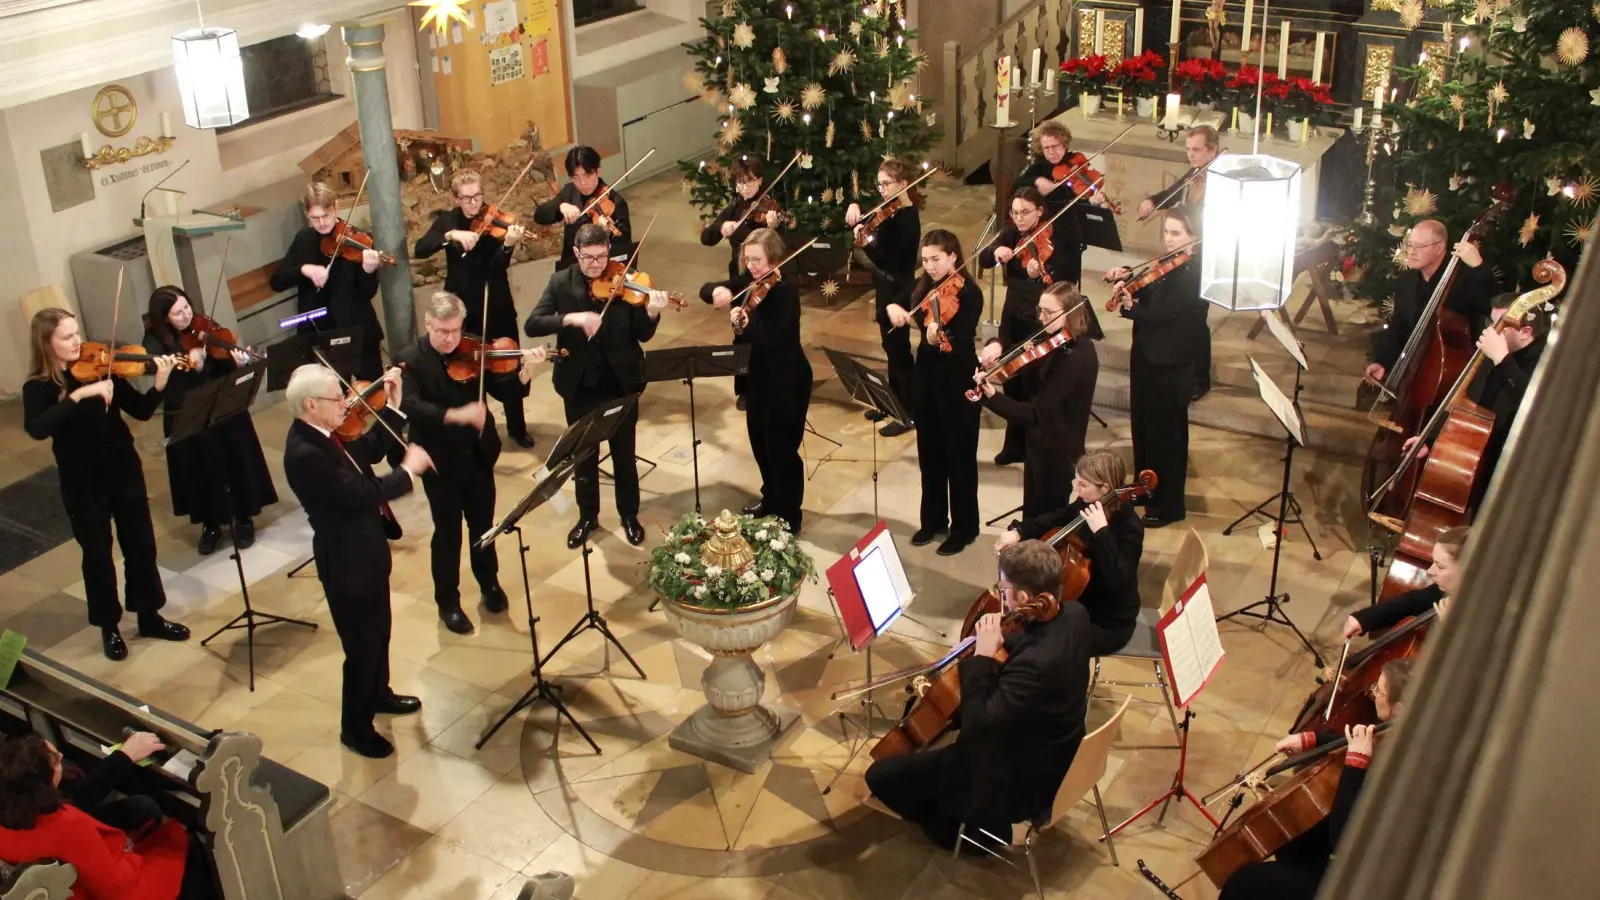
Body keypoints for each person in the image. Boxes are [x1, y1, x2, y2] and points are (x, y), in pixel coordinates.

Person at [865, 540, 1093, 853]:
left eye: (1004, 588)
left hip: (1020, 778)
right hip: (1057, 748)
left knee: (880, 776)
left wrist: (984, 656)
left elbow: (977, 728)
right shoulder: (1075, 615)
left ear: (1024, 597)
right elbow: (1034, 643)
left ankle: (975, 835)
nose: (1000, 594)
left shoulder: (1036, 665)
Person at [22, 308, 190, 661]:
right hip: (83, 482)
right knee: (98, 555)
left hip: (123, 468)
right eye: (67, 337)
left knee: (141, 544)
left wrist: (159, 384)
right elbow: (37, 428)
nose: (77, 342)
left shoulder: (103, 366)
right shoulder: (39, 387)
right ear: (46, 342)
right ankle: (108, 626)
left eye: (77, 333)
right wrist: (79, 396)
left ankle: (149, 616)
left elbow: (141, 411)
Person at [282, 363, 432, 759]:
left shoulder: (328, 433)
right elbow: (362, 491)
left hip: (365, 550)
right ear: (311, 404)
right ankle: (356, 727)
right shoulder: (305, 453)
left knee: (379, 632)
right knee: (362, 645)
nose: (348, 402)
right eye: (339, 397)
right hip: (347, 560)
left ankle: (378, 693)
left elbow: (366, 448)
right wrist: (407, 472)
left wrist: (393, 411)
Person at [395, 292, 549, 634]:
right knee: (448, 534)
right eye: (442, 332)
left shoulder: (475, 348)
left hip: (478, 455)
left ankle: (489, 583)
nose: (450, 339)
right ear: (428, 324)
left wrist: (527, 371)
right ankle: (447, 601)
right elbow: (411, 405)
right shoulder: (409, 360)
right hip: (439, 463)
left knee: (484, 527)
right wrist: (456, 414)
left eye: (455, 330)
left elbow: (503, 389)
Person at [525, 223, 672, 549]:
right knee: (583, 457)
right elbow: (533, 323)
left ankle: (629, 515)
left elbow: (642, 335)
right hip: (579, 386)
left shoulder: (628, 281)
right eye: (589, 258)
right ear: (576, 253)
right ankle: (587, 517)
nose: (596, 264)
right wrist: (572, 319)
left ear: (609, 251)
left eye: (602, 256)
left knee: (624, 455)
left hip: (621, 382)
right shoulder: (560, 282)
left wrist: (651, 312)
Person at [1221, 659, 1414, 900]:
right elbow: (1353, 738)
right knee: (1290, 830)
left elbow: (1342, 839)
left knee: (1243, 884)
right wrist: (1311, 740)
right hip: (1347, 844)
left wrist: (1355, 765)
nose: (1372, 693)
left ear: (1400, 708)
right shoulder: (1395, 728)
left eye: (1379, 690)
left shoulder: (1404, 767)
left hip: (1353, 875)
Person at [141, 286, 278, 555]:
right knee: (198, 468)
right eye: (177, 313)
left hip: (224, 407)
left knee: (234, 458)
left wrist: (238, 364)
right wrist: (193, 368)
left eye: (187, 308)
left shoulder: (204, 326)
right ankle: (211, 524)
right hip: (188, 412)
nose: (186, 316)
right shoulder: (155, 341)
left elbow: (224, 359)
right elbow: (161, 380)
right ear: (164, 317)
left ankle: (243, 518)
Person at [0, 733, 216, 900]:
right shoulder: (68, 825)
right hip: (106, 891)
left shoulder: (15, 807)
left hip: (62, 883)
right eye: (56, 761)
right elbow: (117, 887)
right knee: (179, 842)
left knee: (143, 811)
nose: (62, 758)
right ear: (43, 782)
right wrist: (129, 853)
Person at [413, 168, 537, 448]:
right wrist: (452, 235)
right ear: (455, 198)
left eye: (478, 196)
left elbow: (495, 268)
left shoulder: (495, 221)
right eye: (467, 198)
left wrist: (506, 246)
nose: (474, 204)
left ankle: (517, 427)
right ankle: (476, 427)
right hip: (461, 309)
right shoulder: (448, 220)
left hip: (496, 303)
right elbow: (421, 249)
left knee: (508, 361)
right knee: (465, 371)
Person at [978, 189, 1101, 466]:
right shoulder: (1011, 234)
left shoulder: (1058, 239)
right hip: (1014, 314)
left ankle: (1033, 439)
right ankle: (1014, 445)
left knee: (1034, 382)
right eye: (1014, 212)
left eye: (1025, 212)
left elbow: (1065, 283)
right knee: (1012, 380)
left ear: (1040, 211)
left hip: (1041, 319)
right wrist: (994, 250)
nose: (1019, 218)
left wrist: (1041, 275)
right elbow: (984, 260)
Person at [701, 228, 812, 534]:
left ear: (775, 259)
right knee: (760, 445)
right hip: (759, 379)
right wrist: (716, 292)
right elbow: (707, 288)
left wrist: (743, 325)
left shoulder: (784, 293)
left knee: (782, 451)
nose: (751, 265)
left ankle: (790, 515)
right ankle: (771, 500)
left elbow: (770, 339)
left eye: (757, 260)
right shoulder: (751, 283)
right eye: (747, 259)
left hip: (786, 381)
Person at [1106, 209, 1205, 527]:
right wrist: (1127, 279)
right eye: (1167, 232)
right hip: (1148, 357)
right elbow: (1150, 289)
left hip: (1172, 364)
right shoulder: (1168, 263)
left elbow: (1162, 313)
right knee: (1144, 430)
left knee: (1167, 438)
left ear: (1193, 237)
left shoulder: (1194, 272)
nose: (1169, 239)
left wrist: (1132, 307)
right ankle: (1145, 487)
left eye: (1176, 234)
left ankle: (1169, 505)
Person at [1401, 297, 1546, 510]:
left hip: (1509, 473)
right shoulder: (1493, 352)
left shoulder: (1545, 362)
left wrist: (1503, 360)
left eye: (1501, 325)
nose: (1491, 332)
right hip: (1474, 463)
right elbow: (1464, 403)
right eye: (1491, 322)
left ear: (1525, 332)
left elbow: (1535, 405)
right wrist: (1430, 440)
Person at [993, 450, 1144, 656]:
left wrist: (1101, 532)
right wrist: (1019, 532)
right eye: (1076, 480)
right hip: (1079, 604)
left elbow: (1120, 581)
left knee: (1034, 642)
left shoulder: (1128, 526)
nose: (1075, 487)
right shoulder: (1087, 503)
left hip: (1106, 620)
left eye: (1083, 484)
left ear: (1106, 488)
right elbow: (1055, 517)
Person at [976, 284, 1100, 518]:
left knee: (1045, 517)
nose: (1041, 318)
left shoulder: (1076, 357)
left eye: (1047, 312)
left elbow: (1035, 413)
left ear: (1069, 312)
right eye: (1039, 310)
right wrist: (997, 346)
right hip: (1039, 441)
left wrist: (992, 397)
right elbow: (1020, 351)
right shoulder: (1053, 338)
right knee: (1033, 511)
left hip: (1057, 449)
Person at [896, 230, 984, 556]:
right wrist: (896, 308)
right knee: (929, 453)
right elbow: (902, 301)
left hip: (958, 379)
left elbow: (960, 341)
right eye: (926, 260)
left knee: (959, 457)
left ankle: (965, 527)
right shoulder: (923, 286)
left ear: (953, 257)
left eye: (936, 259)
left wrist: (937, 337)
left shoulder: (970, 293)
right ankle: (933, 520)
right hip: (927, 378)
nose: (930, 266)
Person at [269, 181, 386, 380]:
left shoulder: (359, 239)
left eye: (326, 215)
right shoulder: (303, 240)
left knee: (374, 395)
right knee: (332, 403)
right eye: (315, 218)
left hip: (358, 332)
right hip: (320, 335)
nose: (322, 223)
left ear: (336, 207)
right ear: (307, 214)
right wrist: (304, 269)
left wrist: (367, 271)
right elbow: (277, 281)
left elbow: (367, 294)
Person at [1137, 125, 1220, 401]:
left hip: (1206, 254)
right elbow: (1173, 192)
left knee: (1198, 318)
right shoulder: (1194, 174)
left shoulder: (1221, 180)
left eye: (1196, 150)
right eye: (1188, 149)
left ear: (1212, 150)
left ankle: (1200, 377)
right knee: (1185, 315)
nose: (1191, 155)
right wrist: (1153, 201)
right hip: (1186, 253)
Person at [699, 157, 787, 412]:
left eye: (749, 182)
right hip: (739, 274)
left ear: (760, 181)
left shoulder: (770, 207)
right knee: (740, 332)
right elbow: (706, 238)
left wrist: (774, 227)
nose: (745, 188)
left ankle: (769, 383)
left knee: (764, 331)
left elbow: (781, 246)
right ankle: (744, 389)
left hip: (762, 277)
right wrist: (721, 227)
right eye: (740, 182)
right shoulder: (737, 206)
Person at [1364, 219, 1496, 387]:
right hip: (1415, 368)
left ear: (1440, 247)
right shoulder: (1407, 279)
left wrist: (1479, 268)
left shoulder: (1464, 278)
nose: (1411, 252)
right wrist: (1382, 361)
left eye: (1418, 246)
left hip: (1453, 372)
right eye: (1409, 245)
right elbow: (1399, 324)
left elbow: (1491, 305)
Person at [846, 156, 922, 437]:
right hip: (884, 285)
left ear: (903, 183)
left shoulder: (907, 217)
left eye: (885, 184)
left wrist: (865, 241)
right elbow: (865, 215)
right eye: (879, 184)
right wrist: (854, 205)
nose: (880, 189)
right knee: (889, 347)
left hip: (898, 286)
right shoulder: (889, 210)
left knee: (899, 351)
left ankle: (908, 413)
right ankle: (892, 403)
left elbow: (887, 256)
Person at [1342, 526, 1464, 640]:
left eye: (1440, 567)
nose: (1430, 571)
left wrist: (1453, 631)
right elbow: (1413, 602)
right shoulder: (1447, 590)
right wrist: (1365, 619)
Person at [1010, 120, 1094, 282]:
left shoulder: (1076, 165)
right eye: (1046, 148)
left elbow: (1085, 201)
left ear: (1065, 144)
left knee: (1066, 283)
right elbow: (1016, 188)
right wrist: (1035, 181)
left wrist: (1095, 201)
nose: (1051, 152)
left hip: (1069, 236)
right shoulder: (1039, 168)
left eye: (1055, 146)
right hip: (1044, 237)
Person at [534, 145, 633, 271]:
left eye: (587, 175)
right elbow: (539, 216)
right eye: (576, 177)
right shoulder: (570, 191)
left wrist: (604, 234)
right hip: (571, 267)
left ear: (598, 172)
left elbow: (624, 249)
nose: (583, 183)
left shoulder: (616, 203)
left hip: (599, 271)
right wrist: (561, 206)